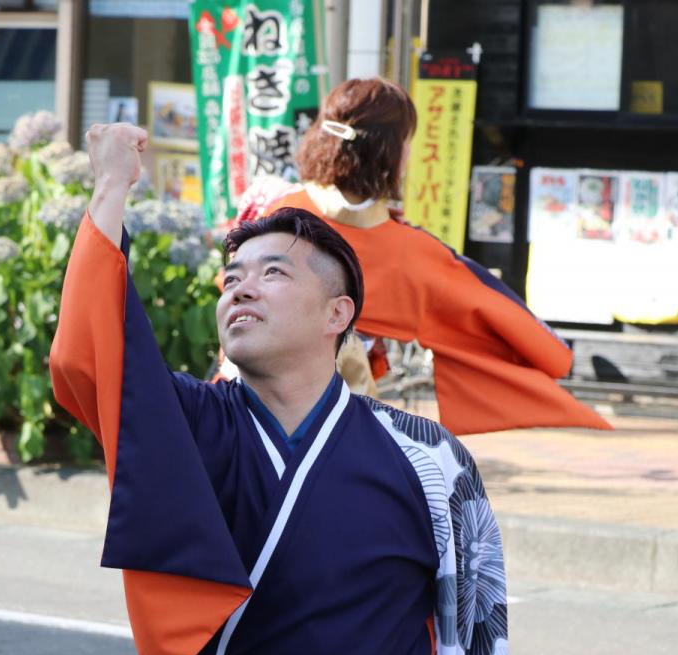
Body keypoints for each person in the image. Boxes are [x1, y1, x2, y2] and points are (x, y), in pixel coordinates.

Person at [50, 123, 509, 655]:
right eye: (230, 279)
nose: (240, 289)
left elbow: (481, 624)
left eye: (272, 273)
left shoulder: (428, 456)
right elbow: (91, 357)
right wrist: (113, 186)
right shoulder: (197, 424)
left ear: (337, 313)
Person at [240, 77, 611, 435]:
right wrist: (556, 355)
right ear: (391, 153)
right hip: (330, 425)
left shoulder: (271, 207)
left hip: (240, 407)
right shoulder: (411, 254)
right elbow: (498, 315)